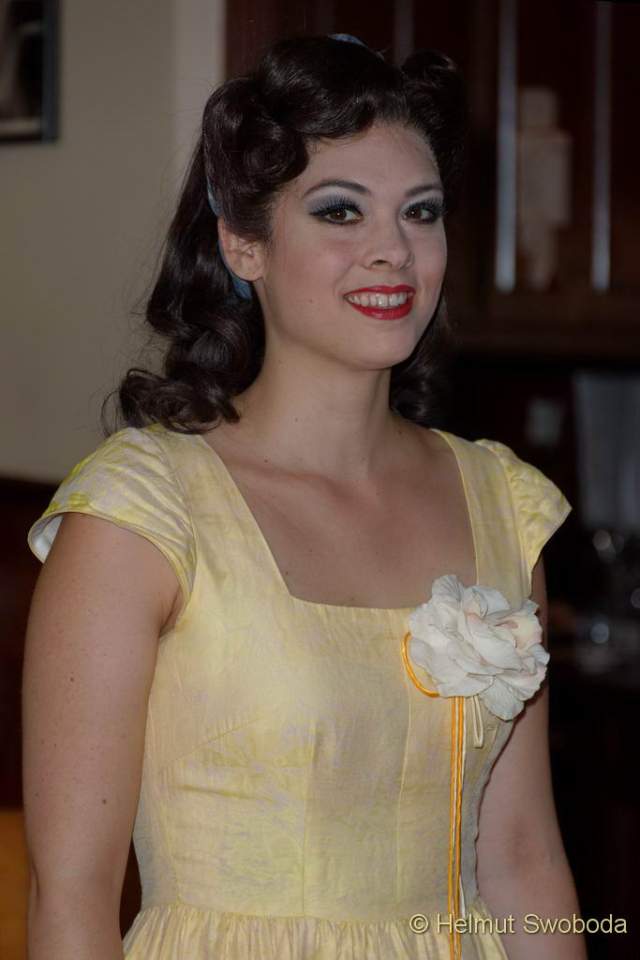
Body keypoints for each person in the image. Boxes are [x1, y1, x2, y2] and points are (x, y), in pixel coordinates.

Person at [22, 33, 586, 960]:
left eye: (421, 212)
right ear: (243, 243)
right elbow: (70, 898)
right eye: (340, 212)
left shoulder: (502, 503)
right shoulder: (140, 513)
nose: (393, 252)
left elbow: (524, 860)